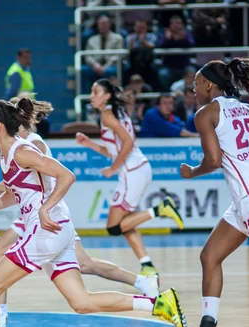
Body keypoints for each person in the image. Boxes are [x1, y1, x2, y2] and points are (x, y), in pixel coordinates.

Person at [0, 97, 188, 327]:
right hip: (54, 230)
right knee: (81, 302)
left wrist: (45, 207)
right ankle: (158, 304)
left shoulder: (23, 151)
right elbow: (14, 195)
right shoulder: (4, 156)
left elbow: (67, 175)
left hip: (45, 231)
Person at [0, 97, 161, 327]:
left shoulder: (28, 146)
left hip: (45, 214)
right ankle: (144, 285)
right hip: (39, 213)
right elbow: (14, 188)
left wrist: (40, 207)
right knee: (84, 271)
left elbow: (52, 179)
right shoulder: (8, 150)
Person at [165, 58, 249, 327]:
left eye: (194, 85)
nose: (193, 90)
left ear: (207, 85)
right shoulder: (246, 109)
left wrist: (191, 172)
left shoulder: (207, 113)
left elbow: (214, 161)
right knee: (210, 256)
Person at [76, 79, 185, 279]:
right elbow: (113, 150)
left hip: (132, 171)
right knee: (126, 224)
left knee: (113, 227)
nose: (91, 96)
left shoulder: (108, 115)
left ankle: (161, 208)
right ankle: (147, 265)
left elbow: (127, 141)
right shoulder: (113, 113)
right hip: (137, 169)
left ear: (107, 96)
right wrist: (89, 143)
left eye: (95, 91)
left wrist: (113, 168)